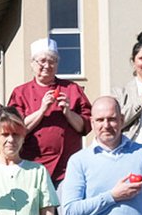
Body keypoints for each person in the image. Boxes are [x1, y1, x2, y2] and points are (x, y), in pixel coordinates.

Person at [6, 38, 90, 184]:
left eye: (52, 61)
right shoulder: (20, 92)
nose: (47, 65)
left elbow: (85, 126)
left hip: (66, 168)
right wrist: (42, 110)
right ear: (32, 64)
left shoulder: (71, 89)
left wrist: (68, 112)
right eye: (42, 61)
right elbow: (15, 128)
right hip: (30, 165)